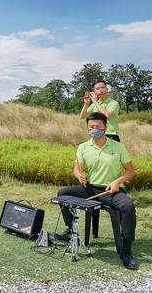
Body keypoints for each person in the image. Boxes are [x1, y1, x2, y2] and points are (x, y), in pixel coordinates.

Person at [57, 112, 137, 270]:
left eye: (98, 126)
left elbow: (130, 171)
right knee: (62, 194)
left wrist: (117, 182)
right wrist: (79, 175)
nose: (94, 129)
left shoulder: (118, 146)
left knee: (128, 206)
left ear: (105, 128)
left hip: (111, 191)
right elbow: (77, 168)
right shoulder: (83, 147)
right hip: (90, 189)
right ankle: (70, 230)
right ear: (87, 128)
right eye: (91, 127)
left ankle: (126, 249)